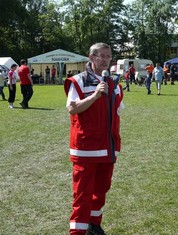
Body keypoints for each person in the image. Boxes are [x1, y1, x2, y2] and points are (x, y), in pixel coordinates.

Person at [64, 42, 124, 235]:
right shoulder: (79, 81)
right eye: (102, 56)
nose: (106, 60)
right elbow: (72, 108)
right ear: (91, 57)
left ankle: (94, 224)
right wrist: (94, 96)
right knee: (82, 194)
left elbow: (117, 112)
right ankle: (77, 232)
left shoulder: (115, 84)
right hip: (85, 148)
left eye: (108, 56)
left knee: (101, 190)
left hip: (108, 147)